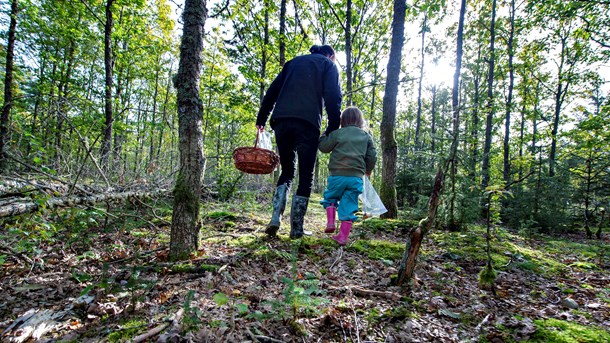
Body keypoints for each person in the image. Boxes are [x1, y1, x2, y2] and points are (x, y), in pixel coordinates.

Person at [256, 44, 342, 239]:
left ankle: (275, 218)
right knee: (306, 175)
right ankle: (296, 228)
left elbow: (272, 92)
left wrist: (261, 119)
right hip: (308, 123)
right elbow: (333, 96)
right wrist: (332, 127)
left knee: (287, 171)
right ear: (330, 55)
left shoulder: (292, 63)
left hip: (282, 122)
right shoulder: (328, 66)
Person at [318, 106, 376, 245]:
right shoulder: (366, 136)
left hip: (337, 175)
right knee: (349, 205)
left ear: (342, 120)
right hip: (355, 177)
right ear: (360, 120)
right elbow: (372, 156)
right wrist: (368, 170)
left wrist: (323, 136)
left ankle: (331, 223)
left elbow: (324, 148)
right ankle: (343, 237)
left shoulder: (338, 133)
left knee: (331, 197)